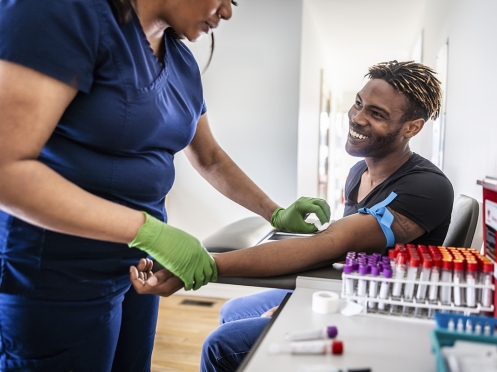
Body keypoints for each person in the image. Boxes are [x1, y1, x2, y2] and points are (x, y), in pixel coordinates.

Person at [0, 0, 330, 371]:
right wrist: (148, 231)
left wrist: (276, 212)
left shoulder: (182, 63)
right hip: (59, 269)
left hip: (139, 266)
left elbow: (209, 157)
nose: (228, 12)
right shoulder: (63, 12)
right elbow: (7, 170)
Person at [131, 60, 455, 372]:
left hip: (378, 315)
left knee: (221, 346)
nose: (357, 117)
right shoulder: (359, 172)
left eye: (377, 113)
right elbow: (341, 255)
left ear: (412, 127)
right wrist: (291, 295)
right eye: (358, 103)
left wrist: (206, 264)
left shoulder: (426, 187)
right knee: (231, 310)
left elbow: (331, 244)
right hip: (343, 287)